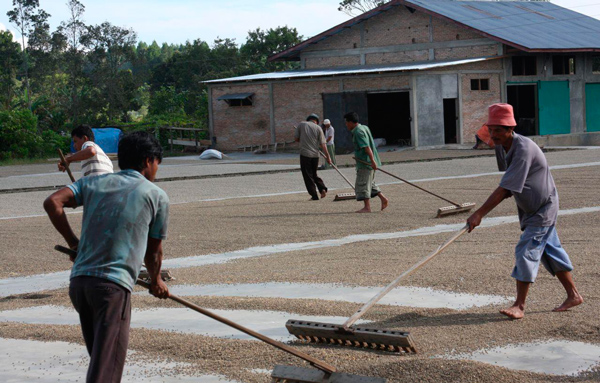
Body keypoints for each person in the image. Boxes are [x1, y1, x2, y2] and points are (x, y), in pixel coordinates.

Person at [44, 131, 170, 382]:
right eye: (157, 163)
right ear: (148, 161)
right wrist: (156, 281)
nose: (157, 169)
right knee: (107, 369)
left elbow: (52, 202)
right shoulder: (155, 195)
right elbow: (153, 252)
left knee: (102, 364)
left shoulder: (93, 183)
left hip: (80, 284)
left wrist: (74, 244)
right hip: (111, 289)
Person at [466, 103, 583, 320]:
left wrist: (479, 213)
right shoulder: (502, 146)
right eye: (491, 130)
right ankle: (573, 295)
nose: (493, 135)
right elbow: (510, 180)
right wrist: (509, 192)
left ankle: (519, 305)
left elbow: (505, 188)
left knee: (526, 249)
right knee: (550, 250)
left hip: (543, 208)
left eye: (498, 130)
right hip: (530, 208)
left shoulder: (523, 148)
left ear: (510, 129)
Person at [344, 112, 389, 213]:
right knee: (370, 183)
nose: (346, 125)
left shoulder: (358, 132)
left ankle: (367, 207)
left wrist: (372, 161)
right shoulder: (364, 127)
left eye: (346, 123)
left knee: (363, 183)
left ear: (351, 122)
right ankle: (383, 199)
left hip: (366, 163)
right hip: (367, 162)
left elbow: (366, 147)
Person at [294, 113, 332, 200]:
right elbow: (323, 144)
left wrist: (302, 138)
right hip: (315, 155)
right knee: (314, 174)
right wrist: (328, 157)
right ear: (316, 122)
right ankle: (322, 188)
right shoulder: (319, 128)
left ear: (309, 119)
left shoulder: (302, 124)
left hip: (305, 154)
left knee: (308, 175)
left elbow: (296, 139)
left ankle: (314, 195)